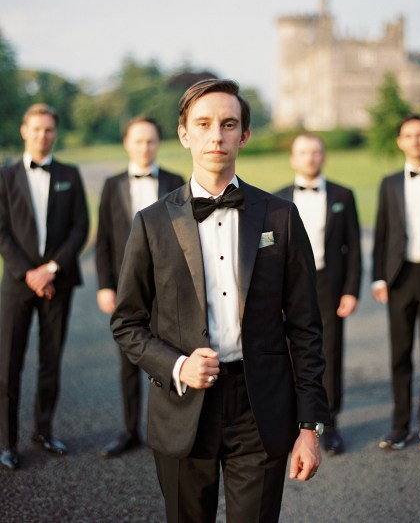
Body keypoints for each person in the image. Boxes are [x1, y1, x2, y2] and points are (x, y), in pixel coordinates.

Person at [111, 79, 330, 523]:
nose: (217, 136)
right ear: (184, 134)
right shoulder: (151, 223)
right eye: (204, 124)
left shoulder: (280, 216)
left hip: (261, 407)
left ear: (244, 135)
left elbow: (305, 326)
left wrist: (310, 427)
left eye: (229, 124)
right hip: (183, 408)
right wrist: (178, 365)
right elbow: (127, 323)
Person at [0, 103, 89, 470]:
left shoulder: (70, 173)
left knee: (50, 362)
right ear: (24, 131)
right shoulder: (4, 176)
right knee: (8, 364)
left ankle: (44, 431)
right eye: (36, 129)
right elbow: (2, 233)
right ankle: (7, 443)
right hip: (18, 284)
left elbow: (80, 228)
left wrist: (50, 269)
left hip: (58, 282)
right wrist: (30, 274)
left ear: (55, 133)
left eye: (49, 130)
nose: (42, 136)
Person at [96, 116, 184, 458]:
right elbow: (102, 240)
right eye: (138, 141)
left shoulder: (177, 181)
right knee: (128, 361)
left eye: (150, 141)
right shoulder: (111, 184)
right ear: (126, 144)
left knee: (170, 356)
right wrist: (106, 286)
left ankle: (174, 430)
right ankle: (130, 429)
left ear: (158, 143)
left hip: (167, 287)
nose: (144, 147)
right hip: (126, 287)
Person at [276, 134, 361, 456]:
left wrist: (350, 291)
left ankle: (330, 423)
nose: (310, 158)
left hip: (329, 285)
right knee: (287, 355)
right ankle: (293, 423)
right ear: (293, 159)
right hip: (290, 286)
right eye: (303, 153)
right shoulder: (278, 198)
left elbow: (352, 249)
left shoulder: (343, 195)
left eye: (315, 152)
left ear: (323, 157)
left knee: (329, 355)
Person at [372, 114, 420, 451]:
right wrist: (378, 277)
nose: (415, 140)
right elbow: (382, 233)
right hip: (400, 276)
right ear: (400, 141)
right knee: (399, 355)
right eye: (408, 135)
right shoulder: (389, 183)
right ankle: (399, 425)